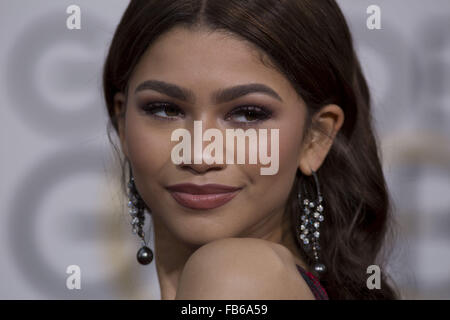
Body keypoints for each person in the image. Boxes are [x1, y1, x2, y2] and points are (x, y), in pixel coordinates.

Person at [103, 0, 399, 300]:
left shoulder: (237, 278)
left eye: (247, 114)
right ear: (123, 123)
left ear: (316, 137)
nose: (200, 155)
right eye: (165, 109)